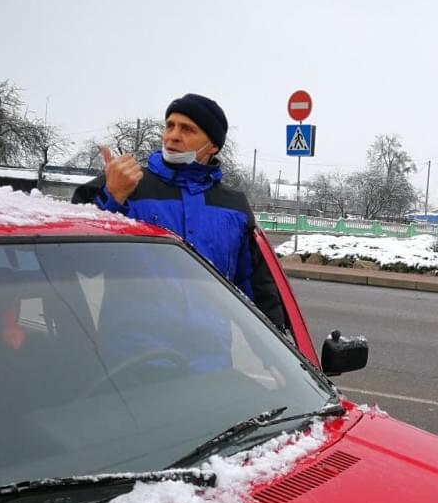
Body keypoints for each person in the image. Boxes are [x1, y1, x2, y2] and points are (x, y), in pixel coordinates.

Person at [72, 93, 284, 330]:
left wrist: (281, 360)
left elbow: (257, 290)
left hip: (209, 357)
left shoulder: (233, 206)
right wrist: (111, 198)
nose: (173, 136)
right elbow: (77, 263)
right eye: (170, 126)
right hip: (129, 354)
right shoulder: (126, 186)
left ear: (212, 145)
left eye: (187, 129)